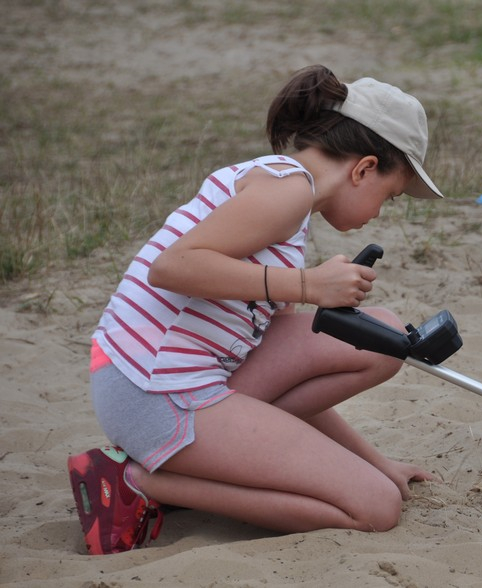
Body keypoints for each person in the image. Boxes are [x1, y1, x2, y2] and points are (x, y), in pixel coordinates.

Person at [67, 64, 444, 555]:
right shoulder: (286, 190)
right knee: (375, 506)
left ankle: (207, 463)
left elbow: (290, 380)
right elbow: (172, 266)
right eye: (388, 197)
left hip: (168, 376)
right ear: (364, 169)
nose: (379, 211)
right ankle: (140, 481)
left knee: (382, 337)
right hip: (152, 391)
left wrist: (375, 461)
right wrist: (308, 285)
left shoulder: (286, 193)